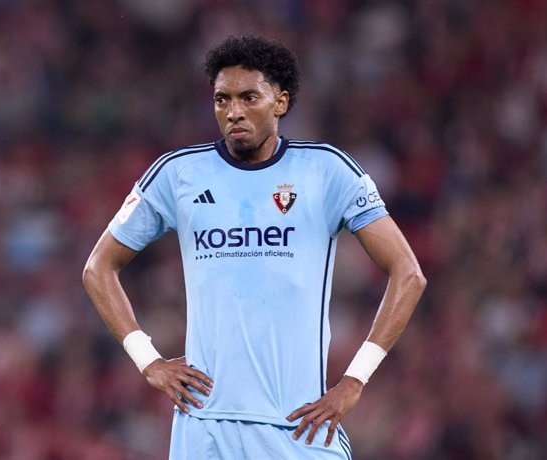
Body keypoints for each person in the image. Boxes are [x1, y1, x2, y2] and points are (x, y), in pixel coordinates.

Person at [83, 34, 426, 459]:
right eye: (222, 100)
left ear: (280, 102)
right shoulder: (178, 175)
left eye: (249, 97)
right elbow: (98, 267)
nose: (233, 112)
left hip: (298, 427)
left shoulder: (326, 171)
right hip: (202, 430)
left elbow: (408, 273)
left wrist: (355, 379)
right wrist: (148, 360)